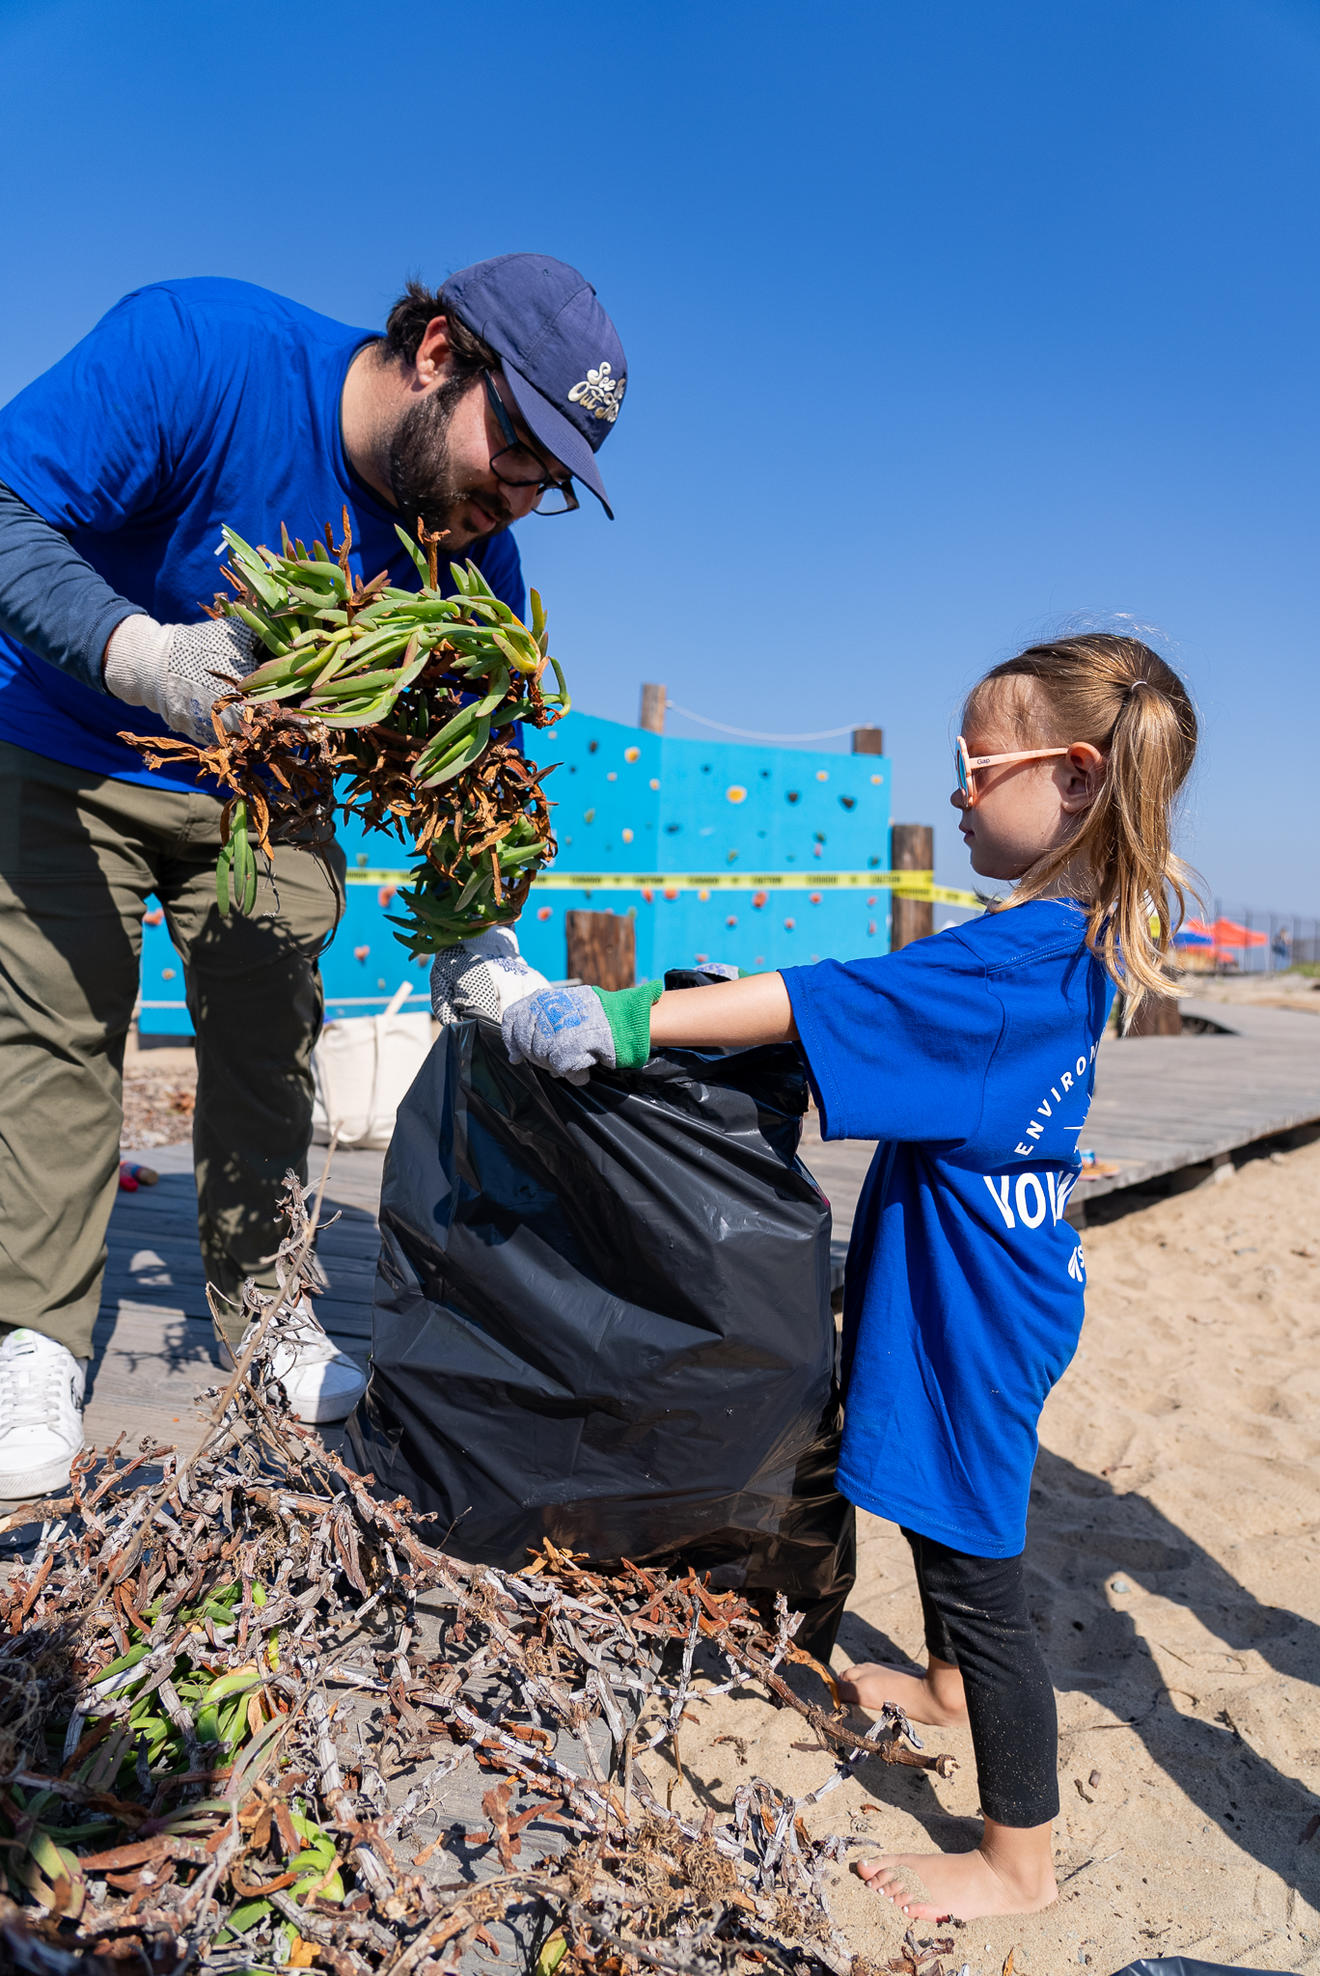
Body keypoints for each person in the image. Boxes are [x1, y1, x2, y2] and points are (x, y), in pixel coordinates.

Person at [493, 632, 1199, 1920]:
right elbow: (881, 1015)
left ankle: (1015, 1855)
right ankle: (933, 1685)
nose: (956, 796)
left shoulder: (1000, 967)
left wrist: (626, 1017)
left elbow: (830, 996)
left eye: (977, 771)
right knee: (937, 1505)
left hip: (971, 1315)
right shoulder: (1067, 935)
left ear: (1079, 776)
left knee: (982, 1566)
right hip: (1003, 1282)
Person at [0, 254, 627, 1499]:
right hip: (67, 743)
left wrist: (478, 940)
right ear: (440, 351)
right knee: (56, 1035)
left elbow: (474, 768)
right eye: (519, 443)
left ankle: (268, 1303)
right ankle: (34, 1340)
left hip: (267, 788)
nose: (522, 489)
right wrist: (142, 654)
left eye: (552, 477)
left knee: (267, 1035)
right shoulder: (199, 349)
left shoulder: (469, 558)